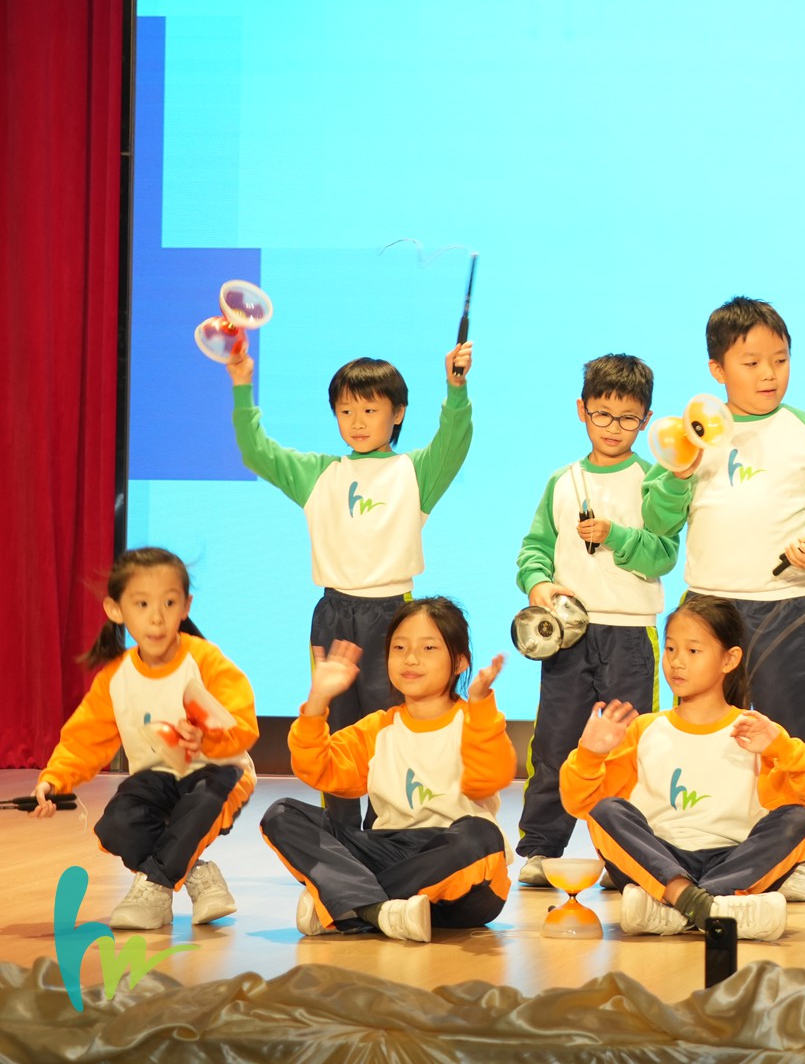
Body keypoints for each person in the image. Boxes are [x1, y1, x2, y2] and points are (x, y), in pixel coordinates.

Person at [645, 298, 805, 897]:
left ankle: (801, 855)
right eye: (752, 362)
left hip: (787, 607)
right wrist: (679, 474)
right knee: (704, 737)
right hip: (708, 611)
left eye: (781, 360)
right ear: (717, 369)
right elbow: (657, 520)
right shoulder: (691, 435)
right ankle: (698, 847)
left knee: (792, 734)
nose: (769, 374)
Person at [228, 342, 473, 829]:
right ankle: (339, 838)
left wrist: (456, 388)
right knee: (337, 727)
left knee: (391, 729)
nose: (357, 422)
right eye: (345, 411)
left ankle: (387, 831)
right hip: (334, 614)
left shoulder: (414, 472)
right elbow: (257, 451)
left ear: (397, 413)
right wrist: (240, 384)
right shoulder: (320, 474)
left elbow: (454, 440)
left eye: (370, 409)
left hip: (393, 617)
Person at [559, 595, 805, 942]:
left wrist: (781, 746)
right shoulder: (644, 729)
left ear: (729, 659)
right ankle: (708, 904)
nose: (677, 662)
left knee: (799, 821)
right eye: (671, 649)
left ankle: (677, 907)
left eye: (693, 651)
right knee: (606, 812)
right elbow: (580, 805)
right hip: (661, 858)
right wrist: (589, 755)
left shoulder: (756, 730)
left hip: (733, 860)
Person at [514, 353, 679, 887]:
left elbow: (663, 553)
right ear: (581, 410)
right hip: (568, 635)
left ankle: (624, 853)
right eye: (603, 414)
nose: (613, 427)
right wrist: (539, 585)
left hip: (630, 633)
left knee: (627, 748)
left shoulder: (654, 479)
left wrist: (615, 536)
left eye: (628, 417)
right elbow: (534, 549)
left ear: (646, 420)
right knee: (555, 742)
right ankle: (541, 848)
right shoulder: (562, 480)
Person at [261, 598, 512, 942]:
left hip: (460, 881)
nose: (411, 658)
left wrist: (482, 707)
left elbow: (489, 778)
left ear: (459, 661)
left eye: (428, 648)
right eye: (399, 647)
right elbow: (318, 769)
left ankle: (348, 905)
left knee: (481, 836)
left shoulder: (476, 721)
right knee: (283, 814)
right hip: (389, 850)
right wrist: (318, 700)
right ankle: (377, 910)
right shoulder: (378, 728)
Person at [32, 547, 257, 930]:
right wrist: (54, 779)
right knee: (116, 825)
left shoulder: (204, 659)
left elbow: (242, 722)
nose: (156, 617)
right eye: (141, 604)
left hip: (220, 770)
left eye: (169, 603)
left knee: (201, 802)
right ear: (115, 609)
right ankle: (198, 875)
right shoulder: (116, 677)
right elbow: (85, 738)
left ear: (185, 606)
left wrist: (206, 739)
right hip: (156, 779)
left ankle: (153, 889)